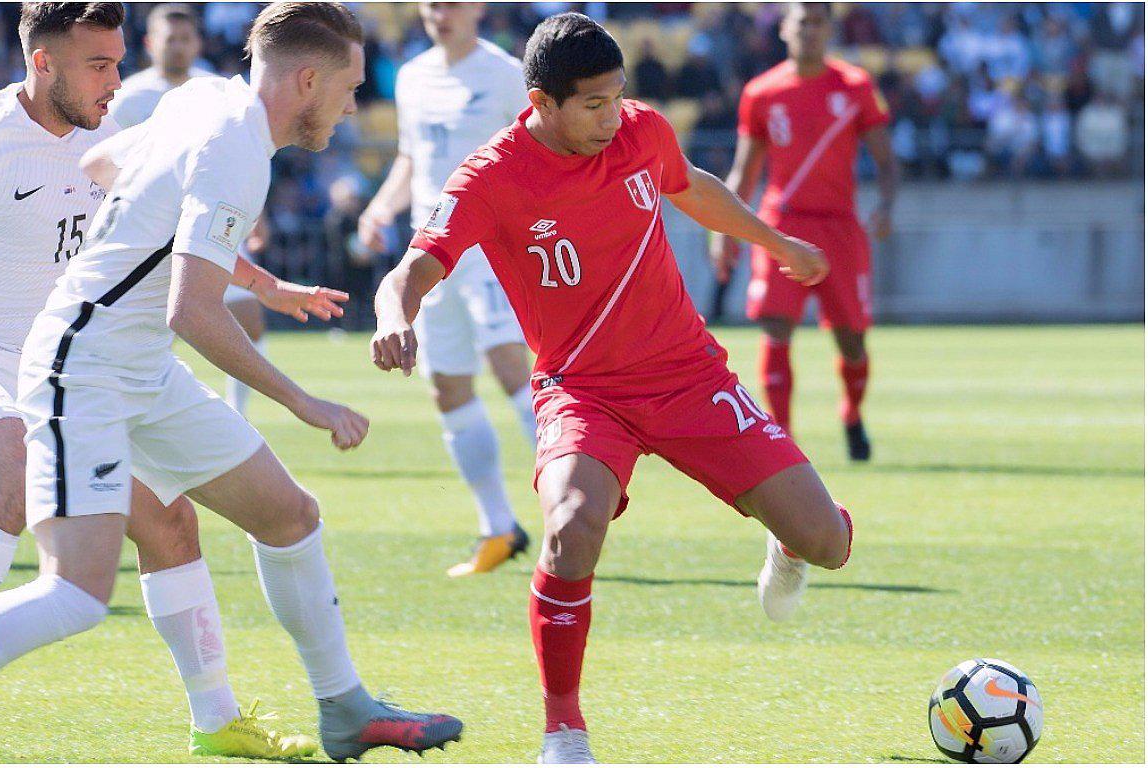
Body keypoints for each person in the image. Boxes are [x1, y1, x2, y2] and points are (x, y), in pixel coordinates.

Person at [0, 3, 462, 764]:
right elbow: (194, 310)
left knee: (289, 516)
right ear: (308, 79)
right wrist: (303, 401)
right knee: (76, 593)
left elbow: (100, 171)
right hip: (79, 367)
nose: (354, 105)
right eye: (349, 86)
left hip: (137, 361)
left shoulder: (206, 97)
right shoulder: (237, 153)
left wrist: (238, 271)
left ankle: (343, 707)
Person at [371, 13, 854, 763]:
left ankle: (786, 542)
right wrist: (392, 317)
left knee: (828, 542)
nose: (611, 115)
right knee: (568, 524)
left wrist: (776, 242)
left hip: (689, 375)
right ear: (541, 101)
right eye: (592, 104)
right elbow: (414, 268)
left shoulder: (642, 131)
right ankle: (563, 729)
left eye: (616, 97)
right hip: (583, 392)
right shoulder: (491, 177)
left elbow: (691, 187)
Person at [358, 1, 536, 577]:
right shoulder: (413, 76)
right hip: (431, 253)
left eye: (452, 2)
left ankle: (571, 506)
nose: (440, 12)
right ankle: (498, 528)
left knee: (513, 368)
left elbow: (532, 158)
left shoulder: (507, 74)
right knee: (447, 385)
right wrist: (381, 207)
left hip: (491, 249)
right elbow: (412, 158)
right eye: (431, 3)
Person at [714, 2, 898, 461]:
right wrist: (724, 230)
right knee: (776, 326)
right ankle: (784, 441)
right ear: (784, 29)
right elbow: (744, 168)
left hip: (840, 228)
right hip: (783, 222)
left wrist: (887, 205)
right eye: (802, 22)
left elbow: (887, 161)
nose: (810, 31)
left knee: (851, 340)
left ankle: (852, 415)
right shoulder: (762, 91)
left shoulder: (855, 86)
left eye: (819, 23)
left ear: (830, 30)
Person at [110, 2, 270, 417]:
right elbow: (104, 162)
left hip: (212, 221)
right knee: (156, 322)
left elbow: (244, 156)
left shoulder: (217, 91)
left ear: (198, 42)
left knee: (247, 316)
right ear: (149, 44)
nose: (179, 47)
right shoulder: (128, 99)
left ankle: (239, 414)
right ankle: (136, 405)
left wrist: (259, 216)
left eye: (186, 39)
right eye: (170, 39)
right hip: (149, 229)